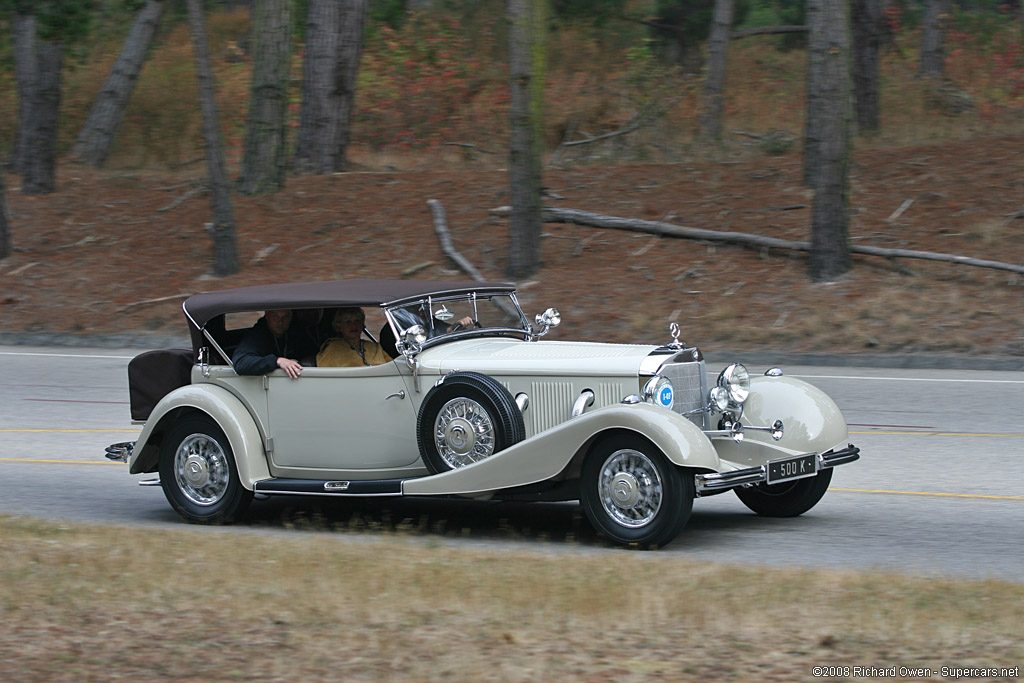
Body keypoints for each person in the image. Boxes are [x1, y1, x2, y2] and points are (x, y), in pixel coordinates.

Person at [232, 309, 304, 378]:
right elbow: (241, 363)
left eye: (286, 317)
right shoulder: (257, 335)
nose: (280, 322)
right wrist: (277, 361)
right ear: (267, 315)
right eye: (275, 316)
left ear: (291, 317)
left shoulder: (297, 332)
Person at [316, 307, 393, 367]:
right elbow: (326, 376)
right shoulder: (331, 349)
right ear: (339, 326)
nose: (353, 326)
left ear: (362, 324)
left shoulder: (374, 347)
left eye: (357, 320)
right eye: (348, 322)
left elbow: (393, 368)